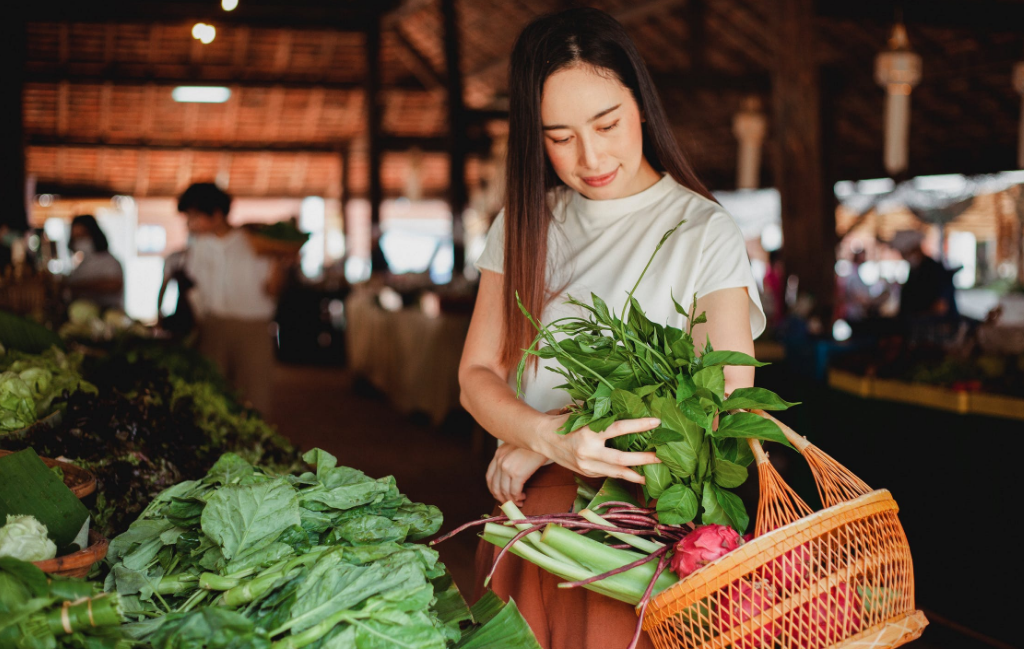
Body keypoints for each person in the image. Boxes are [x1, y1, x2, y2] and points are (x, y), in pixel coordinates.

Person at [458, 9, 765, 649]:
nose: (591, 157)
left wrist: (547, 441)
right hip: (528, 519)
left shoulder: (701, 231)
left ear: (642, 106)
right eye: (560, 137)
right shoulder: (524, 223)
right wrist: (542, 437)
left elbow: (722, 402)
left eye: (608, 124)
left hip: (635, 529)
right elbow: (476, 375)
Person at [177, 183, 290, 413]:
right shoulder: (199, 246)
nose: (190, 224)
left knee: (254, 397)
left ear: (216, 215)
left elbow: (273, 290)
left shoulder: (255, 242)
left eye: (194, 217)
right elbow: (195, 288)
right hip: (213, 327)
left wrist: (280, 261)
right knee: (212, 398)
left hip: (252, 330)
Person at [66, 214, 124, 309]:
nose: (79, 241)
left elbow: (114, 285)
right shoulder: (80, 266)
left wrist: (80, 287)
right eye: (75, 237)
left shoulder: (109, 261)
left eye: (83, 235)